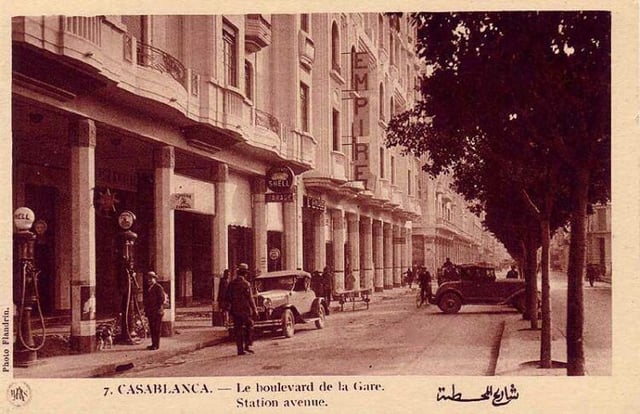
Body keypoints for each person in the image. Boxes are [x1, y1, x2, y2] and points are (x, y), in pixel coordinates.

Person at [225, 265, 258, 355]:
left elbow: (227, 297)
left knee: (238, 330)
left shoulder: (231, 284)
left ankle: (240, 350)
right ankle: (247, 346)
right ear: (245, 274)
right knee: (250, 325)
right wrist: (255, 309)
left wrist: (229, 309)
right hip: (245, 310)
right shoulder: (246, 284)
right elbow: (250, 298)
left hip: (235, 310)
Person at [144, 271, 166, 350]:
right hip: (151, 312)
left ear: (155, 279)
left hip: (157, 312)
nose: (149, 280)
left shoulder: (158, 287)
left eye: (151, 278)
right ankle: (153, 344)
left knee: (156, 329)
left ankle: (156, 345)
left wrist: (158, 308)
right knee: (152, 329)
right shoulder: (149, 288)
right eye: (148, 279)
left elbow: (162, 299)